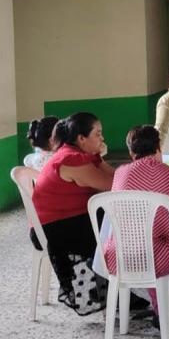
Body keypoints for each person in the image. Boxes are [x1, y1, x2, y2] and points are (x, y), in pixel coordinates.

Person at [102, 125, 169, 326]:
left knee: (159, 242)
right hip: (160, 259)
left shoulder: (120, 173)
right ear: (159, 147)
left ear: (131, 152)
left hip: (119, 255)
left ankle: (162, 307)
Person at [31, 112, 115, 315]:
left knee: (112, 220)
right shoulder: (71, 161)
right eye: (98, 134)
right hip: (55, 230)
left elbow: (113, 175)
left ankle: (115, 288)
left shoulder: (76, 154)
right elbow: (113, 185)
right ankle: (119, 288)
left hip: (67, 220)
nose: (102, 139)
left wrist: (99, 158)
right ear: (81, 138)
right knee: (118, 227)